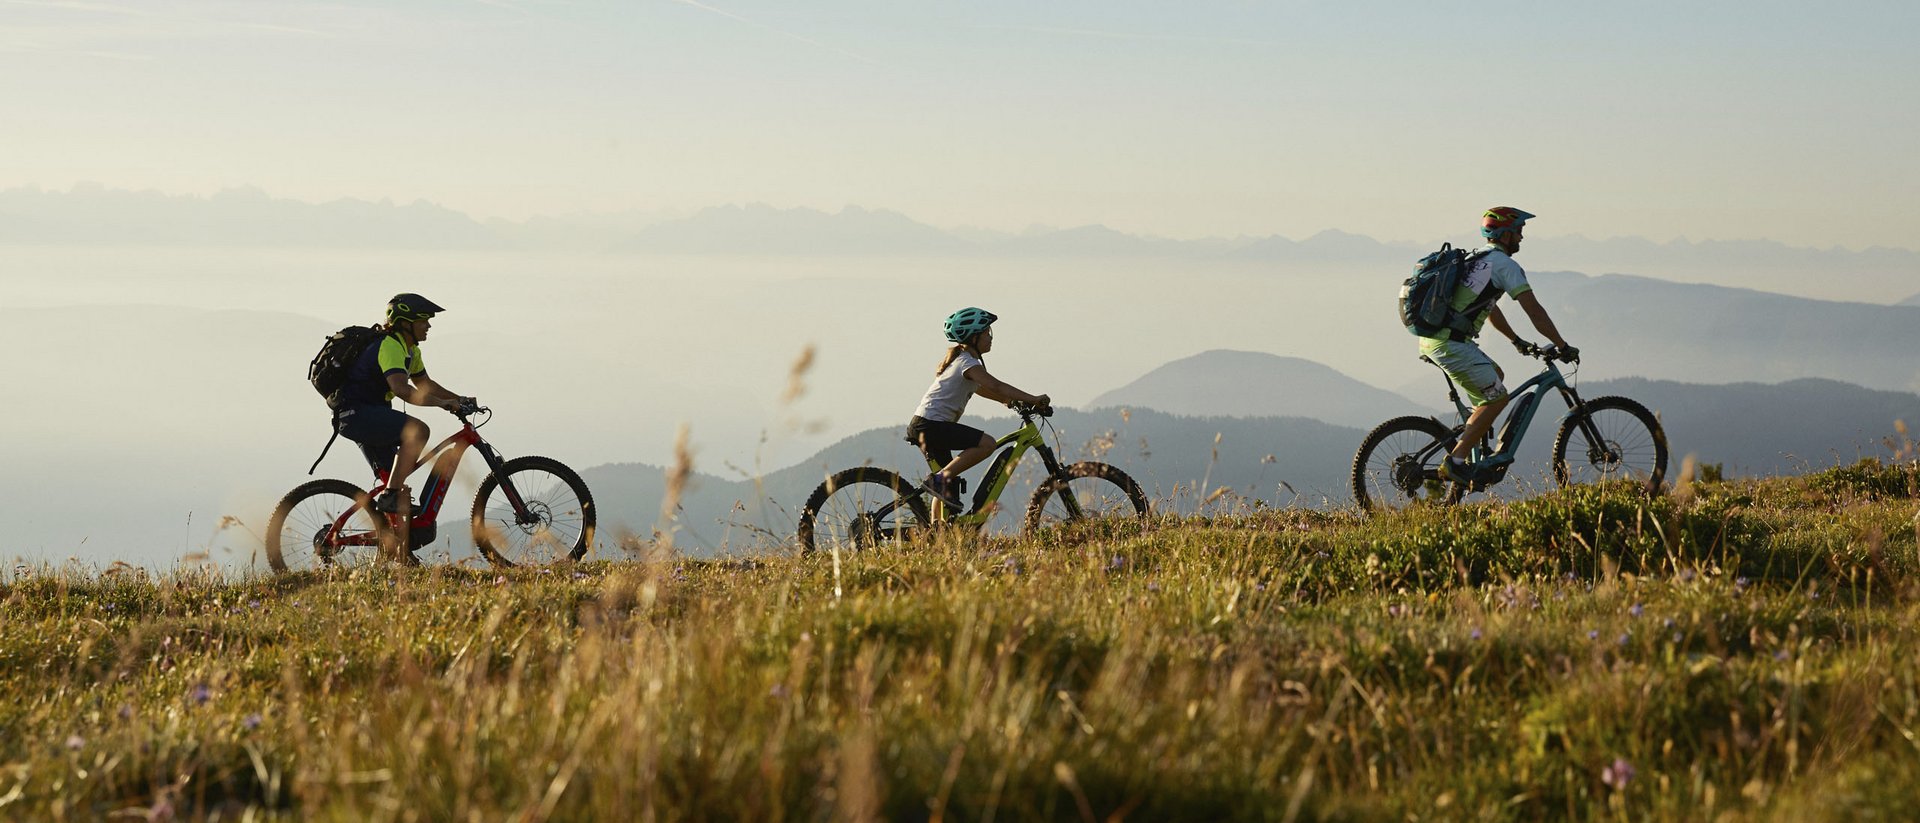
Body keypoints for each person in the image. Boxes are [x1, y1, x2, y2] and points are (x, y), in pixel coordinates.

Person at [1422, 207, 1576, 482]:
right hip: (1452, 345)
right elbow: (1535, 312)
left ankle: (1470, 438)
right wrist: (1561, 345)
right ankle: (1455, 461)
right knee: (1498, 397)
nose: (1521, 238)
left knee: (1498, 378)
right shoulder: (1505, 266)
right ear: (1505, 235)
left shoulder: (1476, 259)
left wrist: (1516, 340)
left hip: (1438, 340)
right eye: (1518, 231)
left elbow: (1489, 308)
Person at [333, 293, 474, 513]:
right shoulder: (389, 346)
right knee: (417, 432)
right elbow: (402, 390)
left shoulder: (410, 350)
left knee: (398, 485)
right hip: (357, 414)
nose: (428, 326)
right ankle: (390, 497)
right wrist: (442, 403)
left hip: (371, 413)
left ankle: (393, 533)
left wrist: (458, 399)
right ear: (406, 324)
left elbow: (425, 384)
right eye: (423, 320)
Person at [906, 307, 1051, 509]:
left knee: (947, 488)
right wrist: (1033, 399)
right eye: (986, 333)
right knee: (987, 444)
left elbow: (982, 389)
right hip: (930, 426)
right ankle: (938, 481)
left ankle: (936, 533)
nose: (990, 337)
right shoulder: (967, 363)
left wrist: (1008, 401)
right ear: (973, 337)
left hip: (925, 425)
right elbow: (996, 386)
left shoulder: (963, 362)